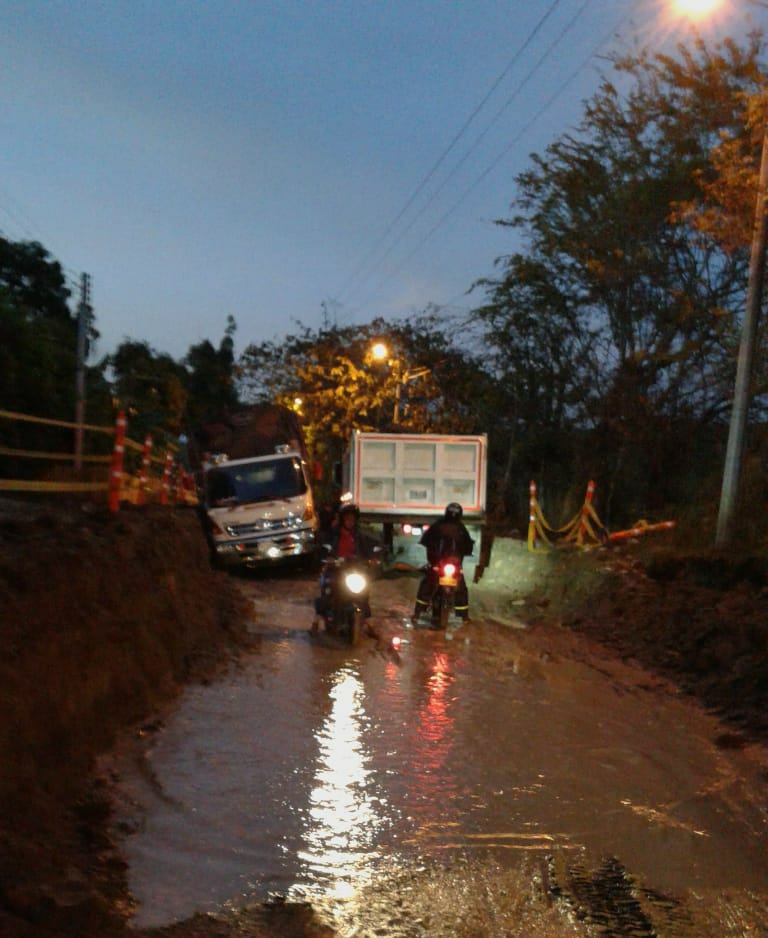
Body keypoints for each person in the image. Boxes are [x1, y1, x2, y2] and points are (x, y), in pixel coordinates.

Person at [413, 502, 475, 624]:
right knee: (429, 584)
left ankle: (418, 612)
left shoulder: (451, 527)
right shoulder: (451, 527)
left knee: (458, 587)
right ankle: (463, 616)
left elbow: (468, 545)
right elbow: (427, 541)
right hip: (439, 564)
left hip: (450, 565)